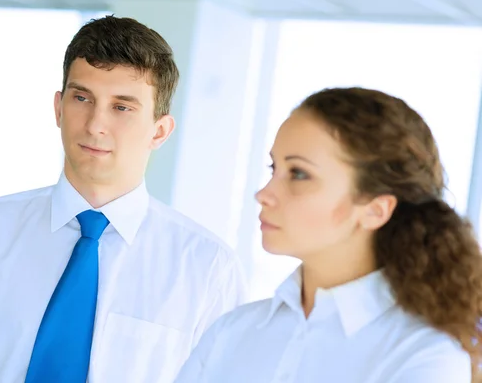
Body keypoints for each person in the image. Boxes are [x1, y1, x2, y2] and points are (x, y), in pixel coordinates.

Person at [0, 15, 247, 383]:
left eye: (122, 107)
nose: (94, 124)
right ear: (58, 108)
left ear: (160, 131)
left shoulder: (208, 268)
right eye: (82, 98)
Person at [175, 87, 482, 383]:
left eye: (298, 174)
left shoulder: (423, 356)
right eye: (274, 168)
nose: (264, 194)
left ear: (376, 209)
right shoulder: (231, 332)